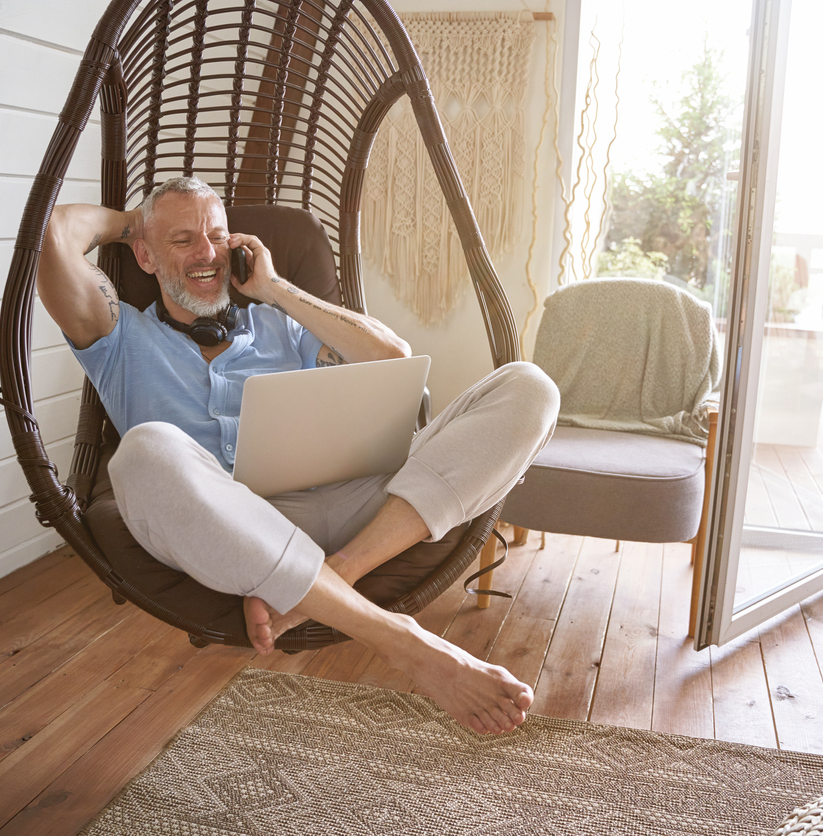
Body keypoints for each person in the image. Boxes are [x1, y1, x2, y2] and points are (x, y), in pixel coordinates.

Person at [38, 176, 559, 735]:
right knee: (144, 449)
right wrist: (132, 220)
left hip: (360, 506)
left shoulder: (281, 322)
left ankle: (336, 577)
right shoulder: (118, 335)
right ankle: (403, 641)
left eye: (217, 235)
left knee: (529, 387)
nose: (207, 253)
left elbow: (392, 356)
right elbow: (54, 236)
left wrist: (277, 289)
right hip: (230, 532)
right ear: (143, 254)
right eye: (183, 239)